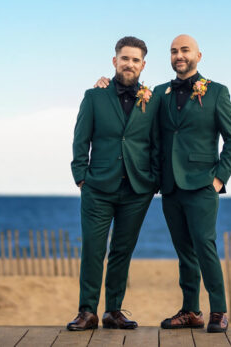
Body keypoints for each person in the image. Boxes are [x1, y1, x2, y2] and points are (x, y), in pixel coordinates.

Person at [96, 34, 231, 333]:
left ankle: (219, 310)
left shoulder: (217, 93)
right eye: (174, 51)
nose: (179, 56)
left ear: (198, 55)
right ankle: (191, 310)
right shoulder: (158, 93)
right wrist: (104, 86)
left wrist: (219, 178)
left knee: (205, 246)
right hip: (170, 187)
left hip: (203, 184)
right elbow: (132, 107)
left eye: (185, 50)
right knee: (184, 251)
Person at [67, 36, 160, 331]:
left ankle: (113, 312)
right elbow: (81, 139)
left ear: (143, 65)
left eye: (135, 60)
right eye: (125, 58)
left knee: (122, 251)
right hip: (98, 188)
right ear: (114, 61)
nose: (129, 64)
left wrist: (153, 180)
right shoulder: (94, 96)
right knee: (94, 249)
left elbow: (157, 143)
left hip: (137, 189)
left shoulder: (153, 100)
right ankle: (87, 311)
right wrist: (81, 176)